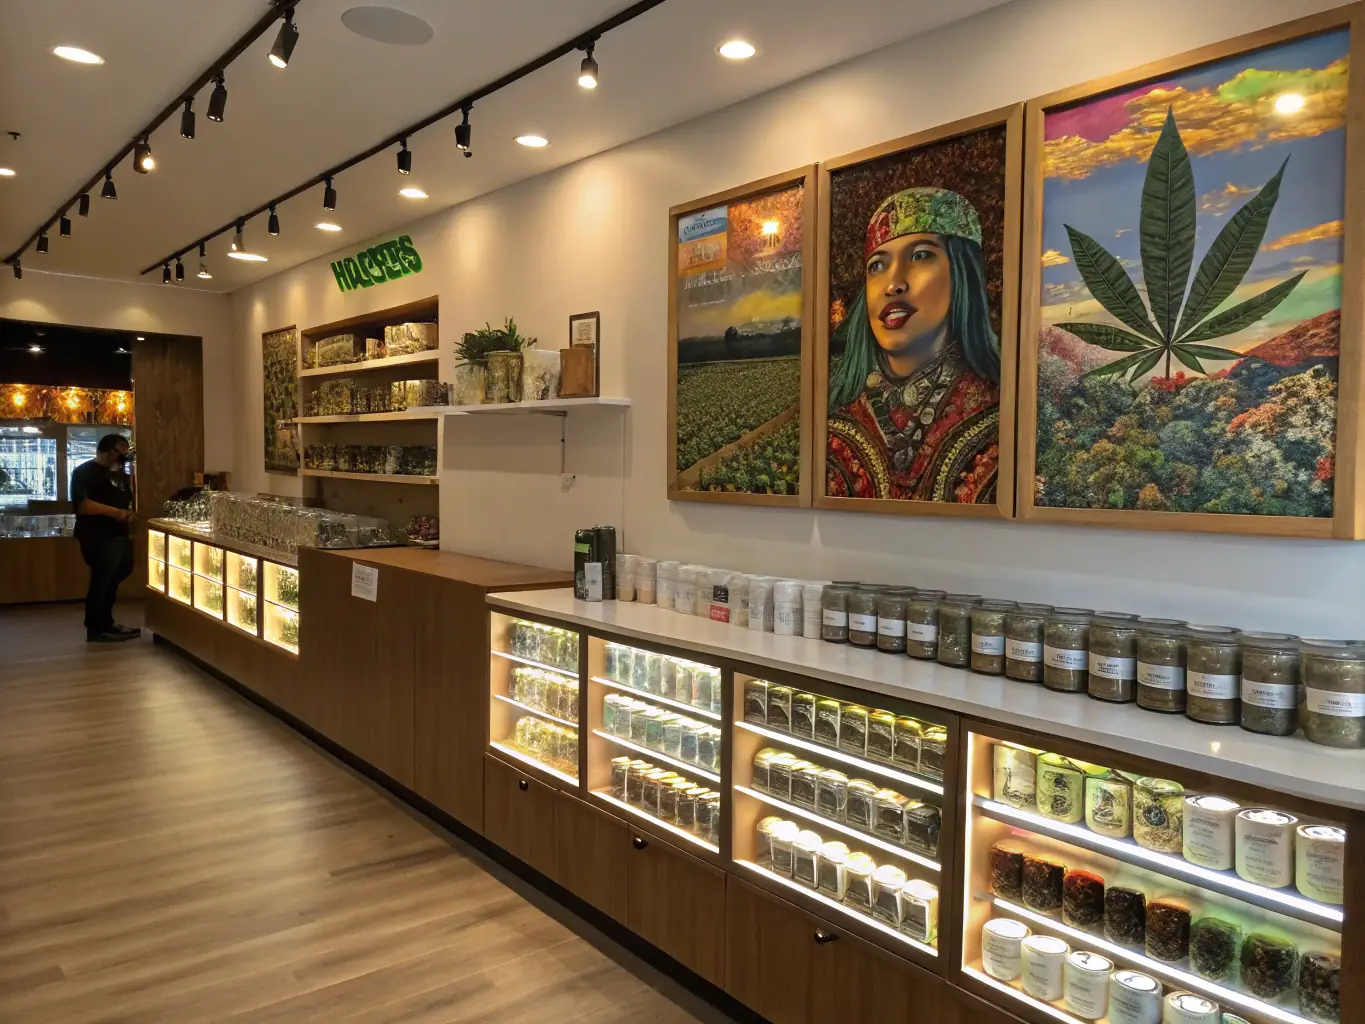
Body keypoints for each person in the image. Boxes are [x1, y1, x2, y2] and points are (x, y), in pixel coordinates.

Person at [826, 186, 1001, 503]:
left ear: (962, 273)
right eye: (877, 265)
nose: (894, 284)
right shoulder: (837, 421)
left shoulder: (999, 416)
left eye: (920, 256)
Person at [71, 433, 139, 642]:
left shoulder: (120, 474)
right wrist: (115, 513)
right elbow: (83, 505)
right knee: (102, 579)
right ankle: (95, 627)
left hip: (119, 534)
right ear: (109, 451)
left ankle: (107, 621)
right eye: (120, 454)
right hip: (97, 536)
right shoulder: (84, 472)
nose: (123, 459)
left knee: (121, 571)